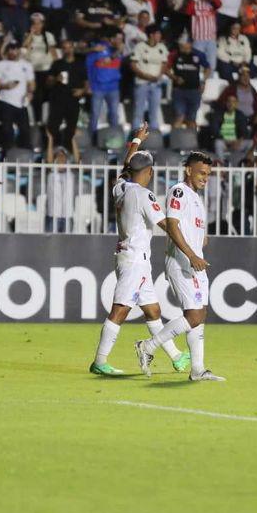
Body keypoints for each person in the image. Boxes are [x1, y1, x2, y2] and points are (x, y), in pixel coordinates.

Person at [91, 128, 191, 376]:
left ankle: (176, 356)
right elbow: (166, 224)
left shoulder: (120, 187)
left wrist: (136, 141)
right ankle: (100, 361)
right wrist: (189, 241)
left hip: (132, 257)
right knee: (120, 310)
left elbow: (126, 167)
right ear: (149, 172)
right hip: (135, 259)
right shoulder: (144, 195)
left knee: (152, 310)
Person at [134, 151, 225, 382]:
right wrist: (191, 254)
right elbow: (172, 225)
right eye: (201, 173)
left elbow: (188, 227)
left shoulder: (196, 198)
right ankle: (147, 346)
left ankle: (197, 370)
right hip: (181, 262)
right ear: (188, 170)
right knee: (194, 315)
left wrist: (200, 240)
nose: (205, 178)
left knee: (199, 316)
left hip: (195, 262)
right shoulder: (179, 191)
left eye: (208, 174)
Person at [0, 43, 34, 148]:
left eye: (15, 50)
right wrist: (5, 86)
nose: (12, 52)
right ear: (7, 52)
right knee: (7, 130)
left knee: (25, 130)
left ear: (18, 51)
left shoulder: (27, 65)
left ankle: (25, 152)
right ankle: (8, 152)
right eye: (10, 50)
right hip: (5, 102)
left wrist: (30, 93)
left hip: (22, 103)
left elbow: (32, 83)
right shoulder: (1, 64)